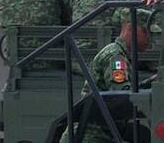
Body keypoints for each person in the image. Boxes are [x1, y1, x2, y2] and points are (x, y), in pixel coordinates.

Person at [60, 8, 153, 143]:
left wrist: (150, 83)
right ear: (130, 29)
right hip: (91, 136)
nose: (149, 38)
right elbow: (123, 97)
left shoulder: (119, 54)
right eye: (145, 32)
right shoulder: (115, 57)